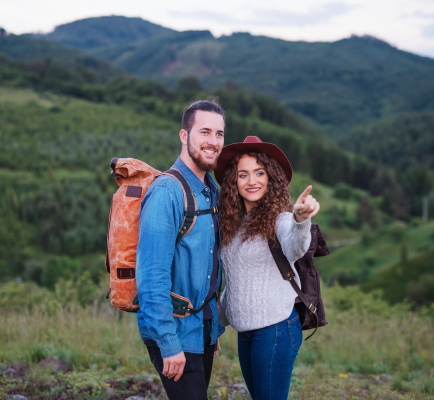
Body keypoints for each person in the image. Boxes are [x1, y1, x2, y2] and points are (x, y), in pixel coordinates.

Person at [214, 136, 320, 400]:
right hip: (246, 333)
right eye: (243, 174)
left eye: (259, 173)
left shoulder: (280, 220)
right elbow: (235, 283)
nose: (252, 181)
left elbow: (295, 245)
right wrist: (215, 325)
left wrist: (300, 219)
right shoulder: (233, 226)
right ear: (233, 182)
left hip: (275, 330)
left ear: (271, 178)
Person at [136, 99, 226, 400]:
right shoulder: (166, 193)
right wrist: (168, 343)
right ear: (184, 136)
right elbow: (151, 278)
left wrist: (211, 330)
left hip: (201, 328)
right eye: (205, 132)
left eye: (219, 134)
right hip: (174, 331)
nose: (213, 142)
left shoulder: (210, 190)